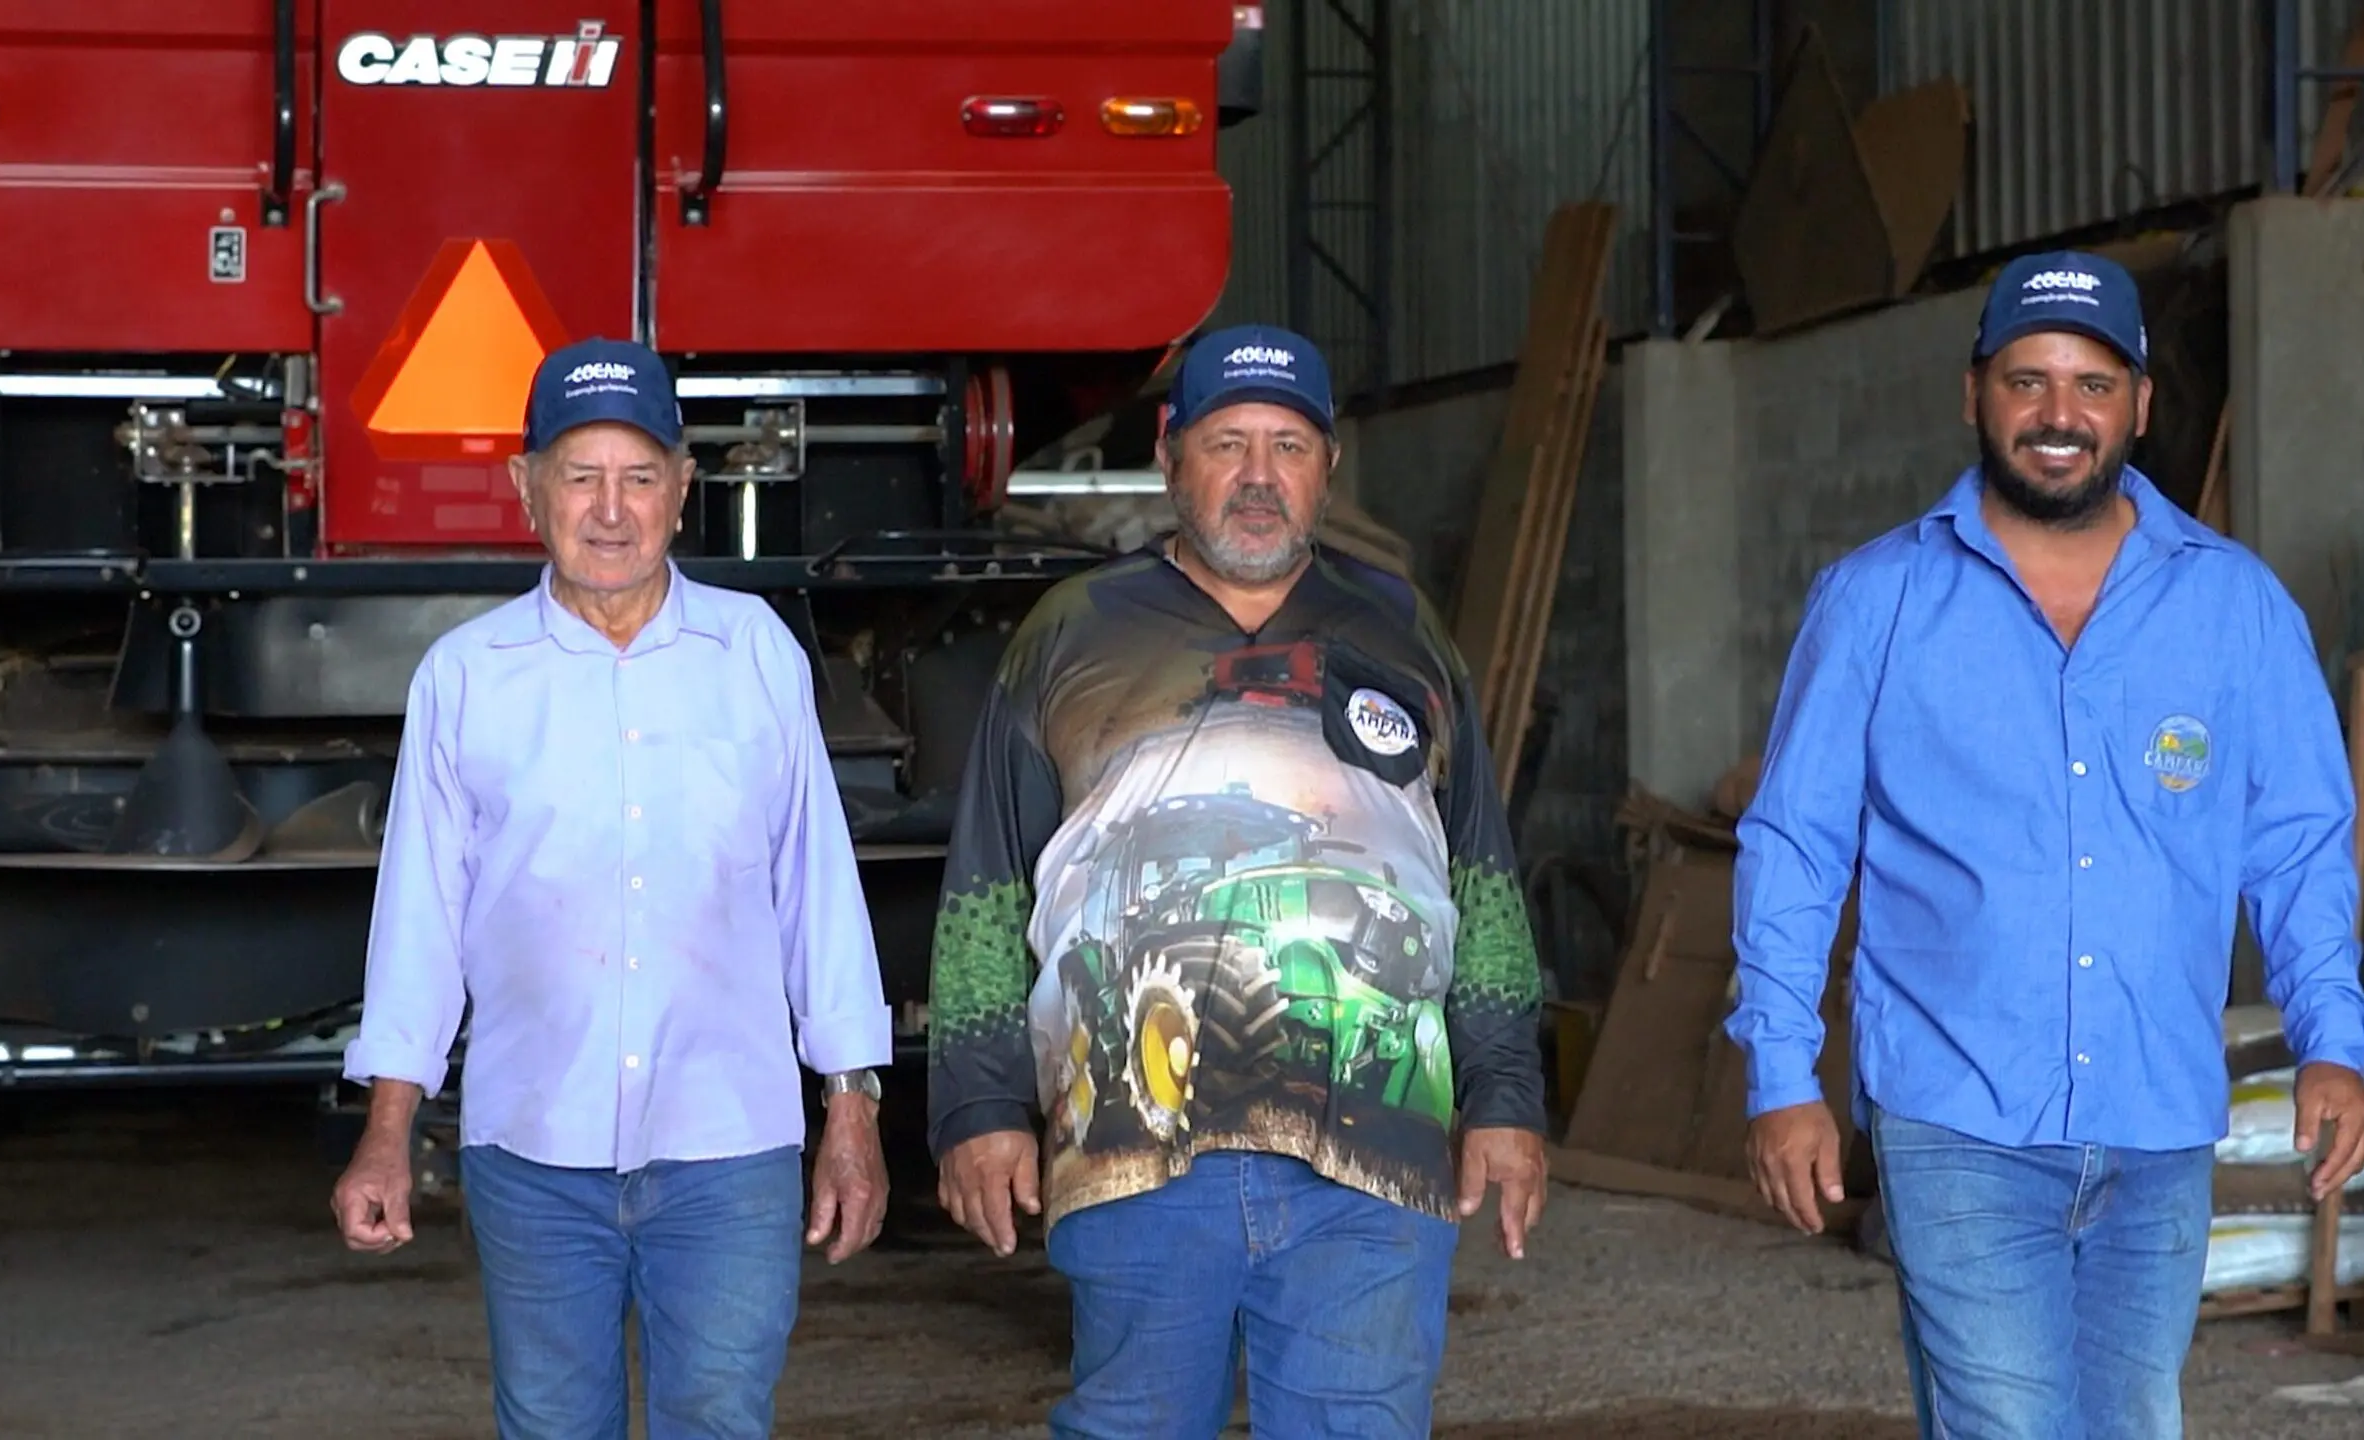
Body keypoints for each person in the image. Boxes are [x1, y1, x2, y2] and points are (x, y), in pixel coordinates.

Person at [1728, 249, 2364, 1438]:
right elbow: (1794, 848)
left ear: (2141, 404)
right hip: (1958, 1117)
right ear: (1972, 393)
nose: (2058, 416)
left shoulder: (2234, 609)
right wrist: (1782, 1076)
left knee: (2130, 1423)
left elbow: (2295, 844)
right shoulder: (1876, 603)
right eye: (2027, 381)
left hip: (2158, 1118)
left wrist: (2331, 1039)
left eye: (2091, 384)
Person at [923, 323, 1549, 1437]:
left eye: (1287, 447)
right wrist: (975, 1106)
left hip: (1378, 1136)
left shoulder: (1402, 630)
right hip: (1133, 1140)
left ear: (1327, 467)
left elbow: (1482, 879)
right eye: (1228, 444)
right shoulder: (1070, 634)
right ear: (1171, 454)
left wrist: (1505, 1095)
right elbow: (987, 890)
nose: (1258, 478)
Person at [329, 337, 894, 1439]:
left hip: (727, 1148)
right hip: (534, 1153)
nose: (609, 510)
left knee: (721, 1418)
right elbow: (419, 923)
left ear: (683, 490)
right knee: (548, 1424)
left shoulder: (753, 655)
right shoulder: (466, 677)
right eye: (579, 476)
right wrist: (387, 1131)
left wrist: (852, 1109)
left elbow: (817, 893)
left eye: (639, 477)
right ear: (525, 489)